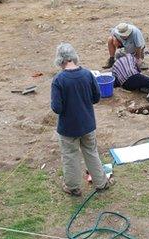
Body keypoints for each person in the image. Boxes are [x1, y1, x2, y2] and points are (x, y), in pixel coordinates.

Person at [50, 43, 111, 197]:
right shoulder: (87, 74)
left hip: (68, 128)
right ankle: (101, 183)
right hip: (88, 124)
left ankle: (72, 187)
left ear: (60, 60)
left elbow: (57, 108)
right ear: (73, 57)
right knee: (91, 152)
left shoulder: (59, 80)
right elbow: (96, 98)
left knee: (70, 156)